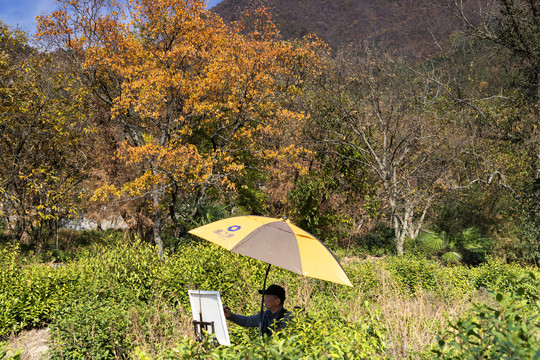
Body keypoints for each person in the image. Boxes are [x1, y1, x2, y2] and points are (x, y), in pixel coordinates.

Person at [223, 284, 293, 336]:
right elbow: (246, 321)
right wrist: (231, 316)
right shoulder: (265, 315)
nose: (264, 300)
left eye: (267, 296)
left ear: (277, 301)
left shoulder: (288, 318)